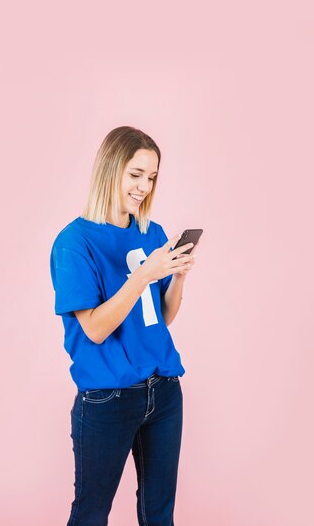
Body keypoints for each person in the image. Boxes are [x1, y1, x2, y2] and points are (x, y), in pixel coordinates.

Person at [49, 126, 197, 526]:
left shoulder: (154, 234)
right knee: (92, 513)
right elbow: (94, 329)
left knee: (159, 514)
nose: (144, 187)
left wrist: (178, 277)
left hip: (163, 392)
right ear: (110, 170)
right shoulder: (74, 242)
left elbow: (160, 319)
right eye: (135, 175)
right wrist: (143, 275)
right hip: (108, 397)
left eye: (151, 177)